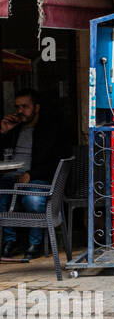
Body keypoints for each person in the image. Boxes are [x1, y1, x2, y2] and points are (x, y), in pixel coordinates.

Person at [0, 88, 73, 259]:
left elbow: (56, 161)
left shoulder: (49, 130)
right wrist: (3, 133)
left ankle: (35, 243)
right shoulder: (14, 129)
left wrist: (31, 175)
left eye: (25, 107)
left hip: (37, 178)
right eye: (17, 107)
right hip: (11, 177)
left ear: (36, 108)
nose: (20, 111)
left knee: (32, 200)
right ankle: (10, 241)